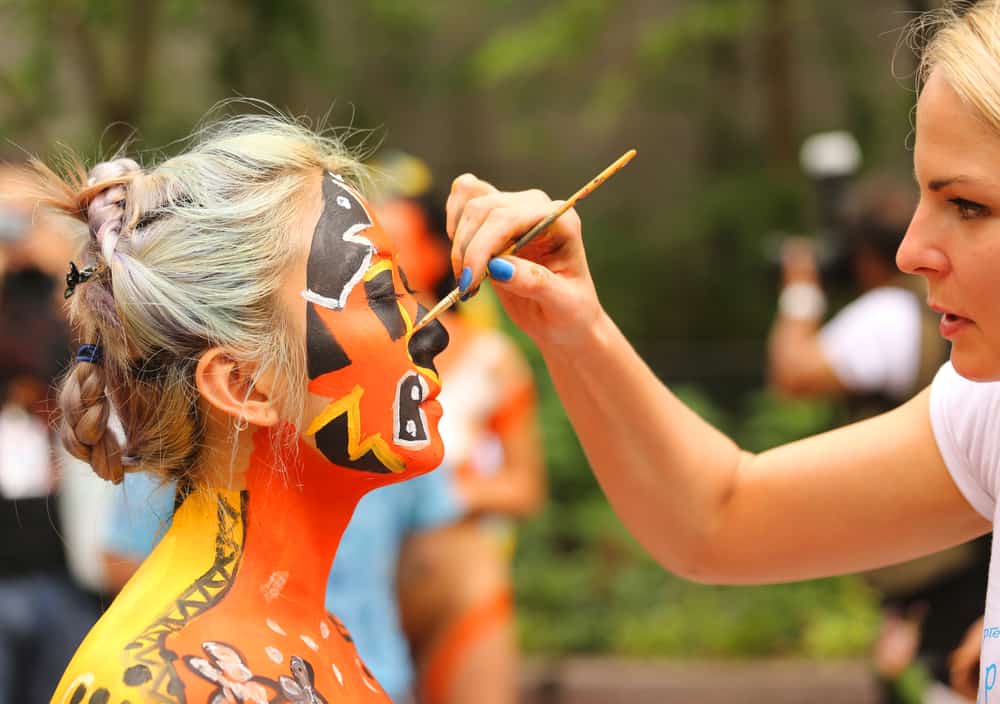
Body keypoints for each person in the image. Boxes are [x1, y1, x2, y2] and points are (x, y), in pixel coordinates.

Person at [441, 4, 1000, 703]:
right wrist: (574, 328)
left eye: (969, 205)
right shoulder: (985, 412)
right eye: (923, 195)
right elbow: (719, 519)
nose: (911, 252)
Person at [41, 115, 450, 703]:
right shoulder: (162, 684)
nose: (431, 335)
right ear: (244, 385)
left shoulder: (304, 632)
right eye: (381, 295)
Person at [768, 178, 988, 701]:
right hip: (963, 545)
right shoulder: (939, 310)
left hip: (931, 561)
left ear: (866, 255)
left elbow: (794, 375)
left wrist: (800, 288)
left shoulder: (890, 313)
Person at [376, 173, 544, 704]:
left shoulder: (494, 361)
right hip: (360, 592)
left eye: (392, 245)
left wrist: (445, 494)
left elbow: (525, 489)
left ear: (432, 252)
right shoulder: (344, 357)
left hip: (462, 585)